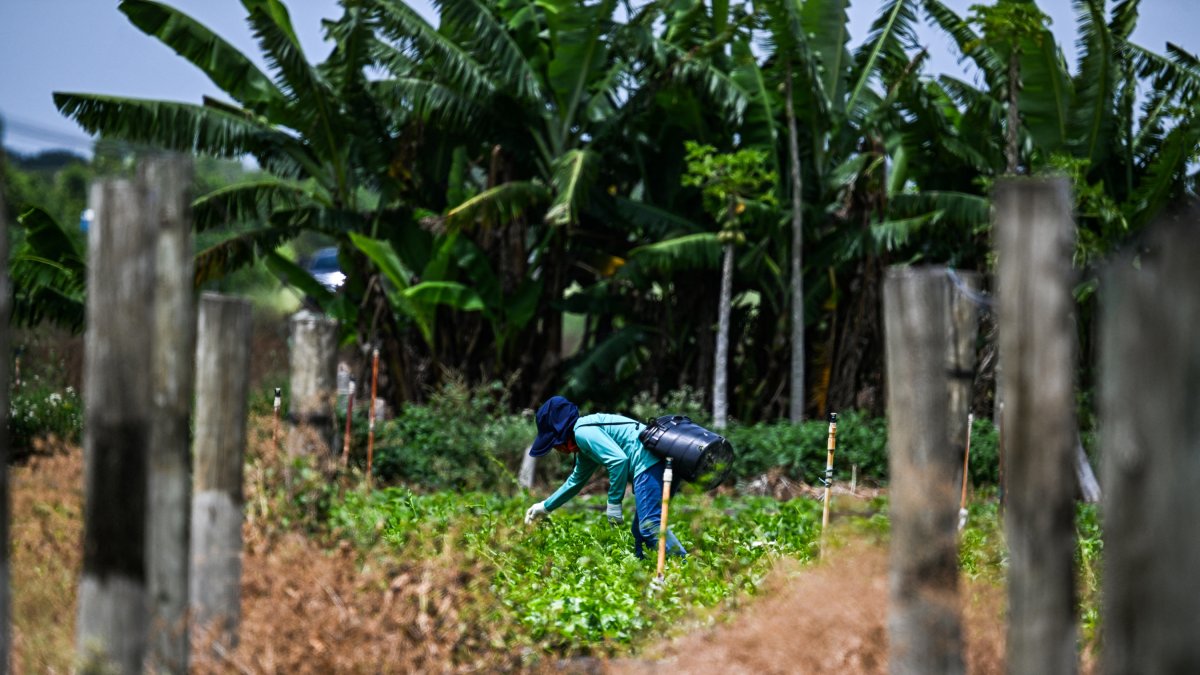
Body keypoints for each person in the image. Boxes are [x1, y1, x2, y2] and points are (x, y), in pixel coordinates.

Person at [523, 395, 686, 559]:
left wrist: (614, 503)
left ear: (560, 435)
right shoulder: (584, 442)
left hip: (649, 464)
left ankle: (683, 565)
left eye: (554, 444)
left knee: (650, 527)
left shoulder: (582, 432)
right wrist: (545, 506)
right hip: (663, 464)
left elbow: (618, 461)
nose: (557, 449)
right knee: (641, 532)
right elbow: (575, 482)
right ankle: (649, 576)